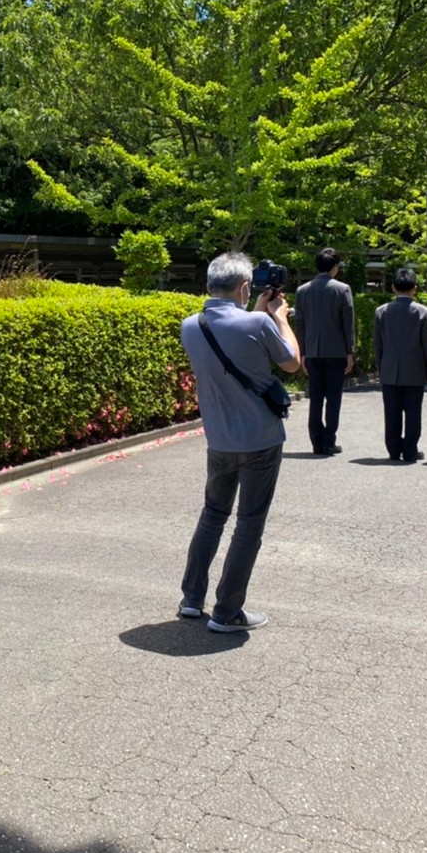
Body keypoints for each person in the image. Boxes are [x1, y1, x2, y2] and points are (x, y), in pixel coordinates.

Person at [177, 252, 301, 633]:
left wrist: (260, 314)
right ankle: (227, 611)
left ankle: (192, 600)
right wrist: (278, 316)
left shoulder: (190, 325)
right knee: (249, 523)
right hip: (260, 438)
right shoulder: (259, 322)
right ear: (246, 287)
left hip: (219, 438)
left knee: (212, 514)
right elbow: (293, 362)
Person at [292, 247, 356, 455]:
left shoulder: (302, 291)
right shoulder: (342, 289)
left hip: (312, 350)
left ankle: (316, 441)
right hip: (336, 350)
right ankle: (329, 440)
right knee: (334, 397)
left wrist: (302, 352)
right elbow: (348, 323)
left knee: (316, 396)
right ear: (335, 267)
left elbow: (299, 324)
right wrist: (350, 351)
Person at [374, 267, 427, 462]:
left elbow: (378, 344)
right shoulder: (423, 313)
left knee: (391, 412)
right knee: (413, 412)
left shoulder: (381, 311)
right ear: (414, 289)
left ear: (393, 288)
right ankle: (410, 449)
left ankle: (393, 448)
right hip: (415, 369)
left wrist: (380, 367)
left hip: (390, 368)